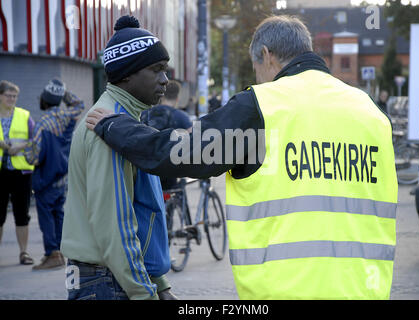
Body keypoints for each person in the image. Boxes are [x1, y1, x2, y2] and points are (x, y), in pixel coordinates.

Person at [86, 15, 398, 300]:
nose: (260, 79)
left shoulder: (263, 106)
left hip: (287, 291)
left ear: (267, 56)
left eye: (257, 70)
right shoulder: (370, 111)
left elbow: (182, 154)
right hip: (366, 289)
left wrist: (115, 126)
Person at [60, 15, 177, 300]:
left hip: (110, 277)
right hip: (108, 281)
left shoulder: (121, 122)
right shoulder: (107, 127)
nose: (166, 80)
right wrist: (145, 293)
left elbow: (136, 214)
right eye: (157, 69)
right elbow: (116, 225)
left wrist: (160, 285)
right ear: (127, 73)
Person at [23, 79, 84, 271]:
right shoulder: (68, 116)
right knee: (59, 214)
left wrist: (24, 150)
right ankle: (60, 250)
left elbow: (33, 157)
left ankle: (51, 254)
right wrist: (63, 92)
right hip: (63, 176)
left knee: (46, 217)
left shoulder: (42, 124)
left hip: (46, 179)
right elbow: (79, 104)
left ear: (44, 100)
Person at [0, 80, 35, 266]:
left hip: (21, 173)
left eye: (14, 96)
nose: (12, 99)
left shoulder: (25, 115)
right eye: (8, 95)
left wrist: (19, 146)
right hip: (1, 172)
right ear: (0, 96)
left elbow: (34, 140)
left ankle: (24, 253)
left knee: (22, 214)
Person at [141, 80, 192, 190]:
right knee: (177, 192)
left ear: (161, 97)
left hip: (146, 168)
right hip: (170, 170)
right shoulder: (181, 117)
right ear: (177, 98)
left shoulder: (145, 114)